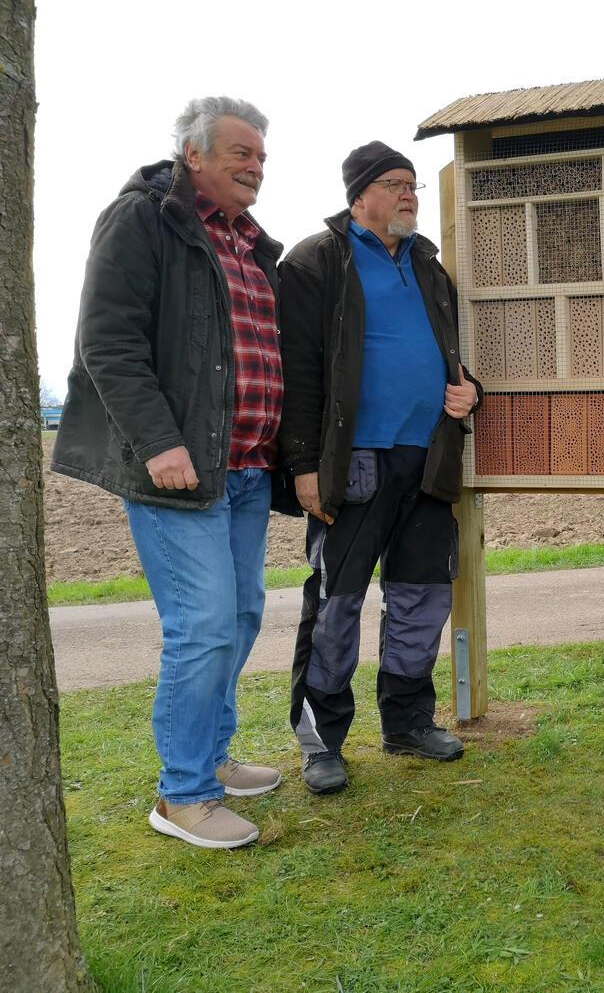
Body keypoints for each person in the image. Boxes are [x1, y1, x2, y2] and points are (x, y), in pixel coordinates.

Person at [52, 97, 283, 849]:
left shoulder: (249, 243)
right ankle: (182, 794)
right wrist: (159, 441)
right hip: (178, 472)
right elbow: (107, 342)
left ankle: (211, 758)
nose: (256, 167)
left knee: (241, 617)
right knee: (204, 625)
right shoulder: (143, 220)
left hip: (244, 467)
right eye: (240, 153)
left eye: (261, 156)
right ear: (194, 154)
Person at [279, 141, 481, 795]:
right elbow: (300, 374)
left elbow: (447, 352)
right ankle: (322, 742)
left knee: (423, 598)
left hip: (427, 459)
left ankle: (407, 723)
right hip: (352, 462)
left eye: (413, 184)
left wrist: (467, 389)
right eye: (395, 183)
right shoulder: (317, 261)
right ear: (359, 194)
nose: (410, 194)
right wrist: (305, 466)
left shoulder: (427, 265)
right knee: (336, 604)